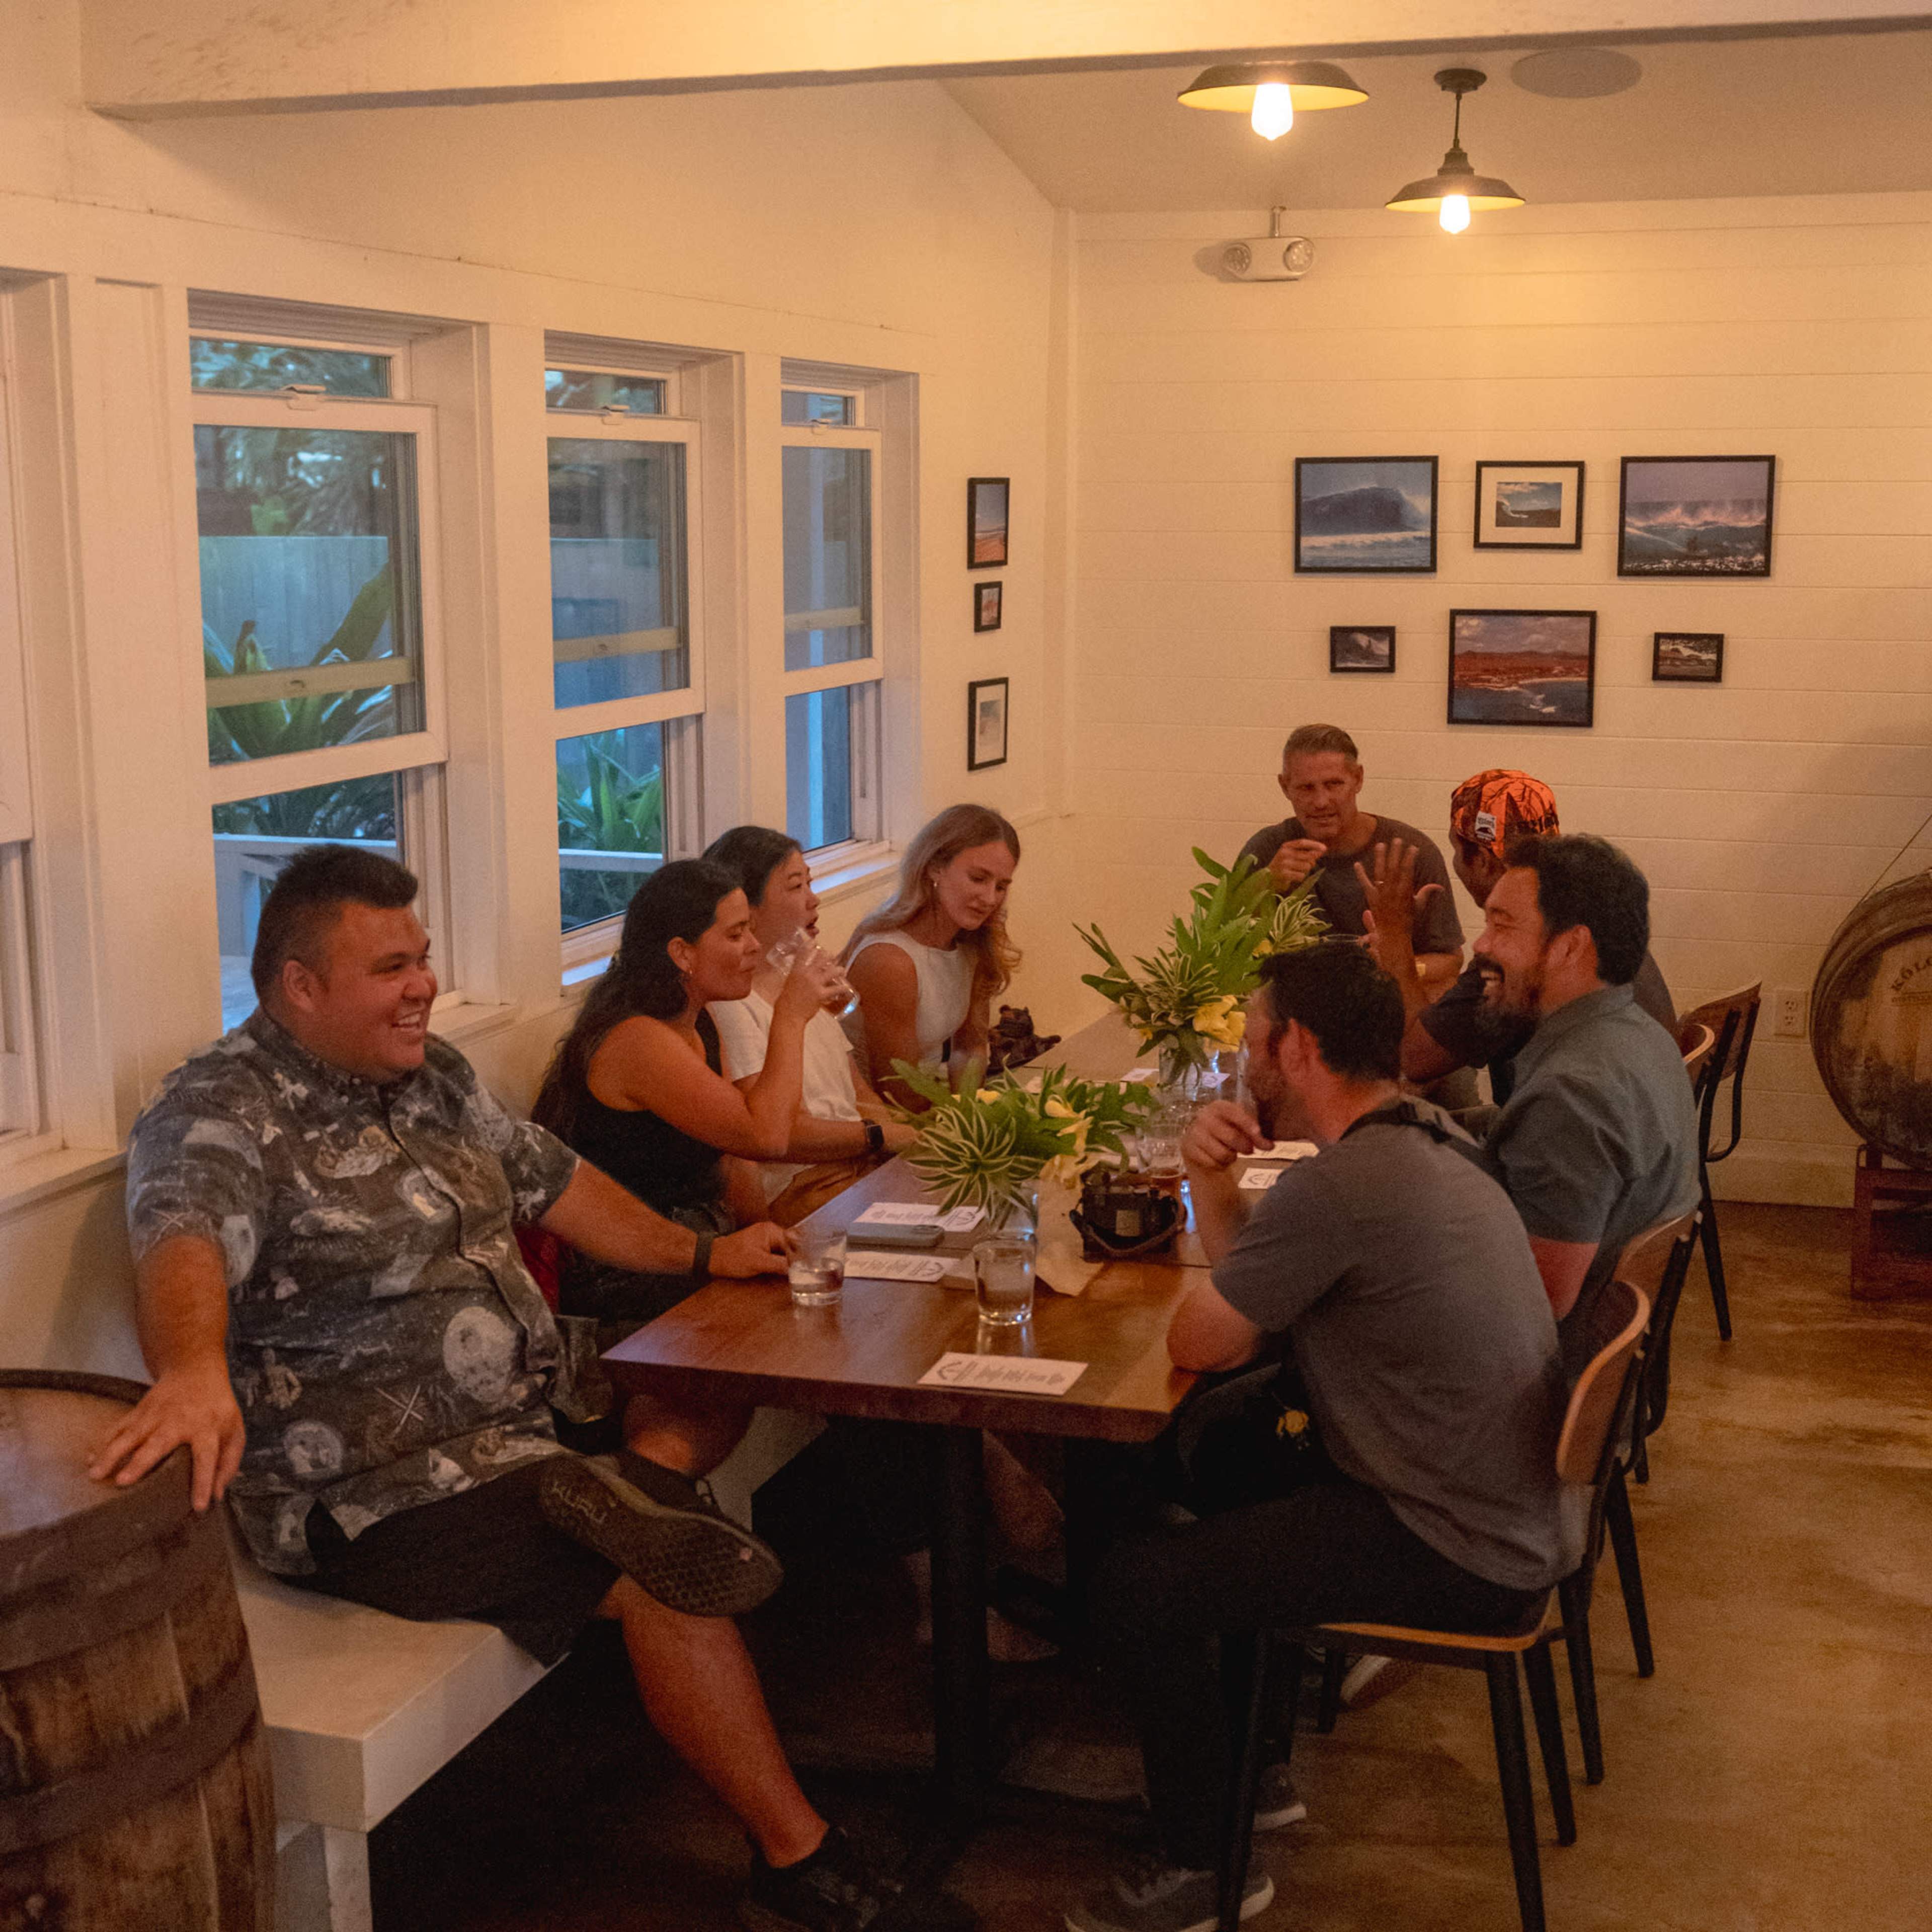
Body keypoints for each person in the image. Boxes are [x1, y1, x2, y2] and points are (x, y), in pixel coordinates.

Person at [102, 846, 954, 1932]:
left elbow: (559, 1185)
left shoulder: (431, 1076)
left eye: (422, 959)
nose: (421, 986)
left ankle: (620, 1510)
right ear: (299, 985)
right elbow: (181, 1234)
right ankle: (797, 1863)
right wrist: (188, 1367)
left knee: (721, 1375)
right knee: (658, 1573)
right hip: (376, 1490)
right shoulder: (220, 1110)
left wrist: (704, 1257)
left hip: (520, 1419)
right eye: (390, 969)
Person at [1065, 942, 1567, 1932]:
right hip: (1502, 1502)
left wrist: (1210, 1195)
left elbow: (1202, 1339)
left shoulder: (1340, 1188)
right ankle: (1249, 1773)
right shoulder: (1424, 1133)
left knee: (1139, 1584)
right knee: (1228, 1469)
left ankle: (1203, 1865)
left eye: (1253, 1041)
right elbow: (1256, 1300)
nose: (1244, 1063)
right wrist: (1209, 1182)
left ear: (1296, 1048)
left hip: (1453, 1539)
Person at [530, 858, 845, 1327]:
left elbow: (734, 1156)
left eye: (751, 930)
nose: (755, 946)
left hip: (706, 1246)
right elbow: (768, 1136)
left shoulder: (698, 1018)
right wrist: (791, 1016)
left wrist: (769, 1235)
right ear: (682, 953)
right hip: (635, 1270)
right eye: (736, 934)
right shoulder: (638, 1040)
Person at [1469, 834, 1699, 1361]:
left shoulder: (1570, 1096)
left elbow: (1542, 1299)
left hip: (1531, 1379)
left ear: (1570, 946)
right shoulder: (1641, 1036)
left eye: (1503, 926)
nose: (1481, 945)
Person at [1357, 768, 1676, 1103]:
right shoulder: (1599, 913)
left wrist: (1394, 937)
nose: (1482, 943)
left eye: (1456, 848)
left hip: (1567, 1122)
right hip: (1640, 1114)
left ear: (1482, 861)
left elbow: (1414, 1060)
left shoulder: (1517, 957)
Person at [702, 825, 918, 1224]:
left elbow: (857, 1093)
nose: (813, 899)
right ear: (747, 909)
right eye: (796, 886)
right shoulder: (730, 1004)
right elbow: (779, 1134)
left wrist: (907, 1142)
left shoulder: (800, 974)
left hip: (858, 1164)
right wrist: (878, 1136)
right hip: (805, 1185)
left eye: (810, 883)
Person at [1234, 722, 1463, 996]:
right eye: (1306, 788)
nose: (1321, 801)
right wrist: (1263, 887)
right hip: (1296, 1007)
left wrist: (1388, 966)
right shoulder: (1266, 851)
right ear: (1285, 787)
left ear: (1358, 779)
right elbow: (1225, 953)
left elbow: (1450, 962)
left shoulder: (1410, 852)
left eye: (1334, 785)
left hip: (1385, 1004)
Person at [843, 804, 1021, 1109]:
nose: (991, 898)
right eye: (978, 879)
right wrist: (954, 1125)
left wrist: (970, 1115)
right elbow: (897, 1089)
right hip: (871, 1114)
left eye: (1001, 886)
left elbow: (970, 1047)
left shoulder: (972, 941)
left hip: (930, 1101)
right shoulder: (890, 960)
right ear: (935, 867)